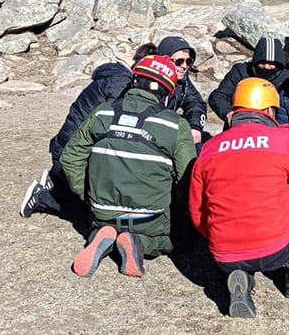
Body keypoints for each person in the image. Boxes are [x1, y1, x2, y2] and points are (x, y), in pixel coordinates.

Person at [190, 78, 289, 318]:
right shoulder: (284, 140)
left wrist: (220, 237)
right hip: (276, 250)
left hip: (223, 254)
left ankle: (242, 274)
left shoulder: (210, 148)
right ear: (270, 110)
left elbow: (197, 211)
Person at [60, 55, 197, 278]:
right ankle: (141, 243)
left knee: (104, 220)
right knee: (185, 236)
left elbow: (70, 157)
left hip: (102, 210)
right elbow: (188, 176)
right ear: (167, 92)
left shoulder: (103, 112)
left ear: (134, 81)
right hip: (150, 217)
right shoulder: (176, 125)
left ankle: (101, 233)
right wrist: (179, 207)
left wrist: (87, 194)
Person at [20, 42, 157, 220]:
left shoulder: (117, 78)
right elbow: (114, 129)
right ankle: (43, 198)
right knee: (97, 213)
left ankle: (58, 182)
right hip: (69, 153)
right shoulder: (120, 86)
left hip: (66, 148)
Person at [209, 37, 289, 128]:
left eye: (272, 63)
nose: (267, 67)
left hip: (273, 128)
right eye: (263, 62)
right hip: (239, 124)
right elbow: (218, 96)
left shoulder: (287, 77)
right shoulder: (241, 71)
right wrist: (229, 113)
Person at [156, 36, 208, 145]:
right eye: (179, 61)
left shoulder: (182, 82)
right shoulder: (148, 80)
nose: (184, 66)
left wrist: (195, 126)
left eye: (188, 61)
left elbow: (195, 103)